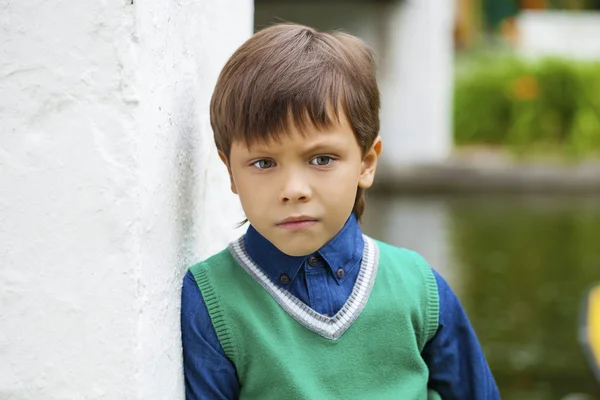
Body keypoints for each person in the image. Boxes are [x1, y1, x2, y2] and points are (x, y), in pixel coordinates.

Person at [181, 23, 499, 400]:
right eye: (264, 163)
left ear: (366, 163)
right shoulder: (212, 297)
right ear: (230, 171)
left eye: (321, 159)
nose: (293, 190)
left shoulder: (419, 288)